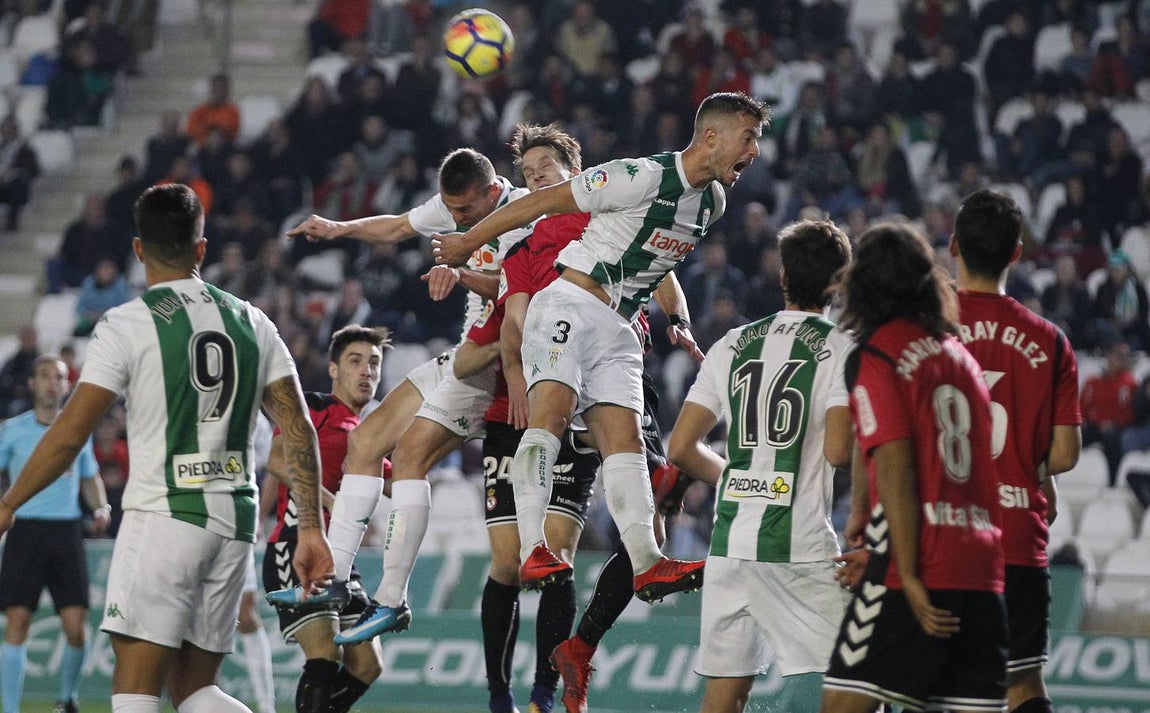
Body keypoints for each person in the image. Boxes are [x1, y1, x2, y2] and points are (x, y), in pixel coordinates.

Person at [0, 184, 334, 713]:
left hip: (163, 516)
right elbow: (298, 429)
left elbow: (67, 436)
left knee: (134, 691)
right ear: (201, 249)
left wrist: (7, 503)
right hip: (233, 522)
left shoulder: (127, 324)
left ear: (138, 250)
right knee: (196, 690)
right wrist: (311, 527)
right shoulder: (254, 322)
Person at [433, 92, 768, 608]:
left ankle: (648, 563)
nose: (755, 151)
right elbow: (542, 201)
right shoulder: (639, 176)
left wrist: (678, 318)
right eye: (749, 138)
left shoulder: (713, 202)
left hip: (618, 325)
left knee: (626, 440)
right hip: (569, 304)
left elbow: (660, 260)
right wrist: (466, 241)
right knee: (552, 416)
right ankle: (534, 547)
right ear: (711, 137)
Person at [273, 149, 530, 633]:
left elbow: (524, 289)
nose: (457, 221)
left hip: (496, 360)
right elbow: (396, 226)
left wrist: (459, 272)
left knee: (409, 457)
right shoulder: (459, 207)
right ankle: (338, 578)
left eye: (466, 213)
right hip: (464, 354)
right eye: (451, 212)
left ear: (493, 193)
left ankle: (391, 598)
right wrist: (339, 228)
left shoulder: (524, 219)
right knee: (365, 443)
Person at [666, 219, 854, 713]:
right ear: (840, 282)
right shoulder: (841, 350)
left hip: (730, 542)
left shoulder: (732, 343)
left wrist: (736, 478)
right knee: (858, 679)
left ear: (783, 276)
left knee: (727, 695)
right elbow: (839, 452)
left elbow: (682, 447)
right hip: (799, 543)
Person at [820, 223, 1008, 713]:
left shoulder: (877, 354)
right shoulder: (960, 357)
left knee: (842, 703)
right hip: (983, 568)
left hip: (918, 567)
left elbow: (897, 468)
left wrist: (906, 571)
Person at [951, 189, 1082, 713]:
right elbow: (1067, 455)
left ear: (954, 246)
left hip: (942, 540)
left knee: (923, 688)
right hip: (1018, 541)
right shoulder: (1050, 340)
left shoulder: (924, 330)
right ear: (1017, 253)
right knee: (1024, 690)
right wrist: (1026, 463)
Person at [263, 324, 390, 713]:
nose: (366, 370)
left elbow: (399, 483)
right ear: (334, 369)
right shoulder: (314, 407)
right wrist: (332, 502)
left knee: (368, 665)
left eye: (374, 363)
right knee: (324, 654)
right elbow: (278, 460)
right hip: (294, 544)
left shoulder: (371, 435)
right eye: (355, 361)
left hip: (342, 560)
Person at [0, 355, 111, 713]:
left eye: (59, 377)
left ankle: (67, 700)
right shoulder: (12, 430)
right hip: (25, 529)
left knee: (76, 627)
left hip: (66, 532)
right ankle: (11, 708)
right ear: (31, 384)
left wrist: (100, 506)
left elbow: (89, 476)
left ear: (68, 385)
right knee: (17, 622)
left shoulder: (77, 429)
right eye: (44, 375)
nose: (52, 382)